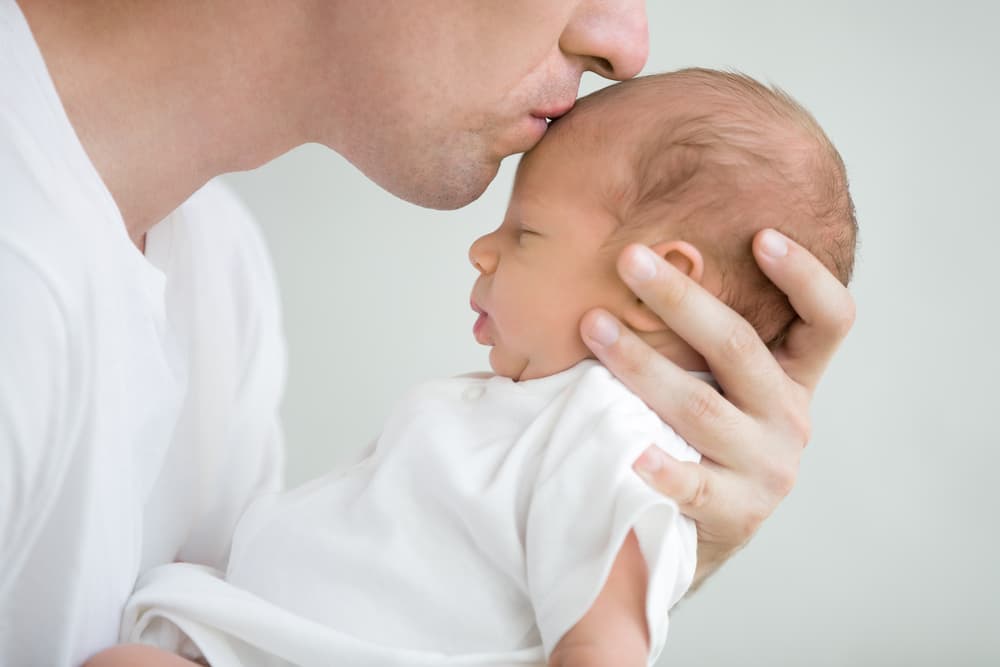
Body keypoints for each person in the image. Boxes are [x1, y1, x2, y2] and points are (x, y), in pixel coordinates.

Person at [0, 1, 856, 665]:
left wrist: (630, 553)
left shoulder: (219, 271)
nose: (624, 43)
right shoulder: (24, 271)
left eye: (525, 235)